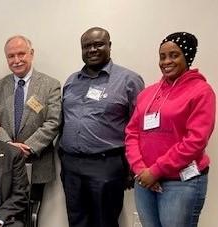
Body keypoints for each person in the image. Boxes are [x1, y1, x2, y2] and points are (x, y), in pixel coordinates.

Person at [125, 32, 215, 227]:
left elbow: (196, 141)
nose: (166, 61)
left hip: (180, 183)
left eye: (174, 55)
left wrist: (156, 170)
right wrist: (141, 170)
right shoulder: (148, 93)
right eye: (162, 56)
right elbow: (132, 133)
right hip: (145, 181)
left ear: (187, 56)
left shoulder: (201, 91)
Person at [59, 27, 144, 227]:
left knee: (105, 221)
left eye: (98, 44)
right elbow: (64, 120)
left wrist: (133, 167)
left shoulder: (129, 80)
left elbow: (139, 127)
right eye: (87, 46)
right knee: (76, 220)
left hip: (106, 164)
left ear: (109, 46)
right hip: (71, 164)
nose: (92, 49)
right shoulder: (71, 81)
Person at [0, 35, 61, 226]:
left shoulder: (50, 85)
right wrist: (11, 147)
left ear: (32, 54)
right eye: (11, 56)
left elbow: (53, 122)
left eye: (21, 54)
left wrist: (27, 147)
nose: (16, 60)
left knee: (30, 216)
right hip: (3, 163)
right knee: (4, 214)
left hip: (37, 163)